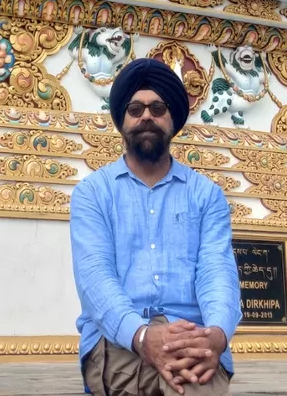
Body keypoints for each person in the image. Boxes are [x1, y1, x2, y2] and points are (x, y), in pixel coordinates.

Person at [70, 58, 241, 396]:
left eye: (157, 107)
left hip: (195, 337)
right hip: (118, 337)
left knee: (191, 382)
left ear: (173, 118)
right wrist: (143, 336)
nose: (146, 116)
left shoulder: (207, 195)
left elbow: (217, 272)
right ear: (122, 120)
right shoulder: (92, 193)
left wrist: (217, 335)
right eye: (135, 108)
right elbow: (95, 280)